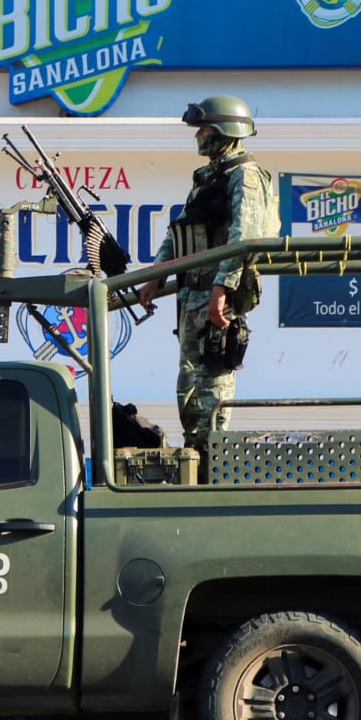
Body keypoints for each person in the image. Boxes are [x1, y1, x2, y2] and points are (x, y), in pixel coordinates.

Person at [135, 95, 279, 456]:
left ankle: (210, 460)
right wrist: (156, 274)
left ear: (224, 131)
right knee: (189, 386)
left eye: (204, 128)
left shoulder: (244, 175)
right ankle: (194, 455)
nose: (198, 134)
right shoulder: (208, 176)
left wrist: (221, 290)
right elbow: (180, 230)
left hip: (215, 297)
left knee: (212, 383)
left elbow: (243, 239)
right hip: (191, 294)